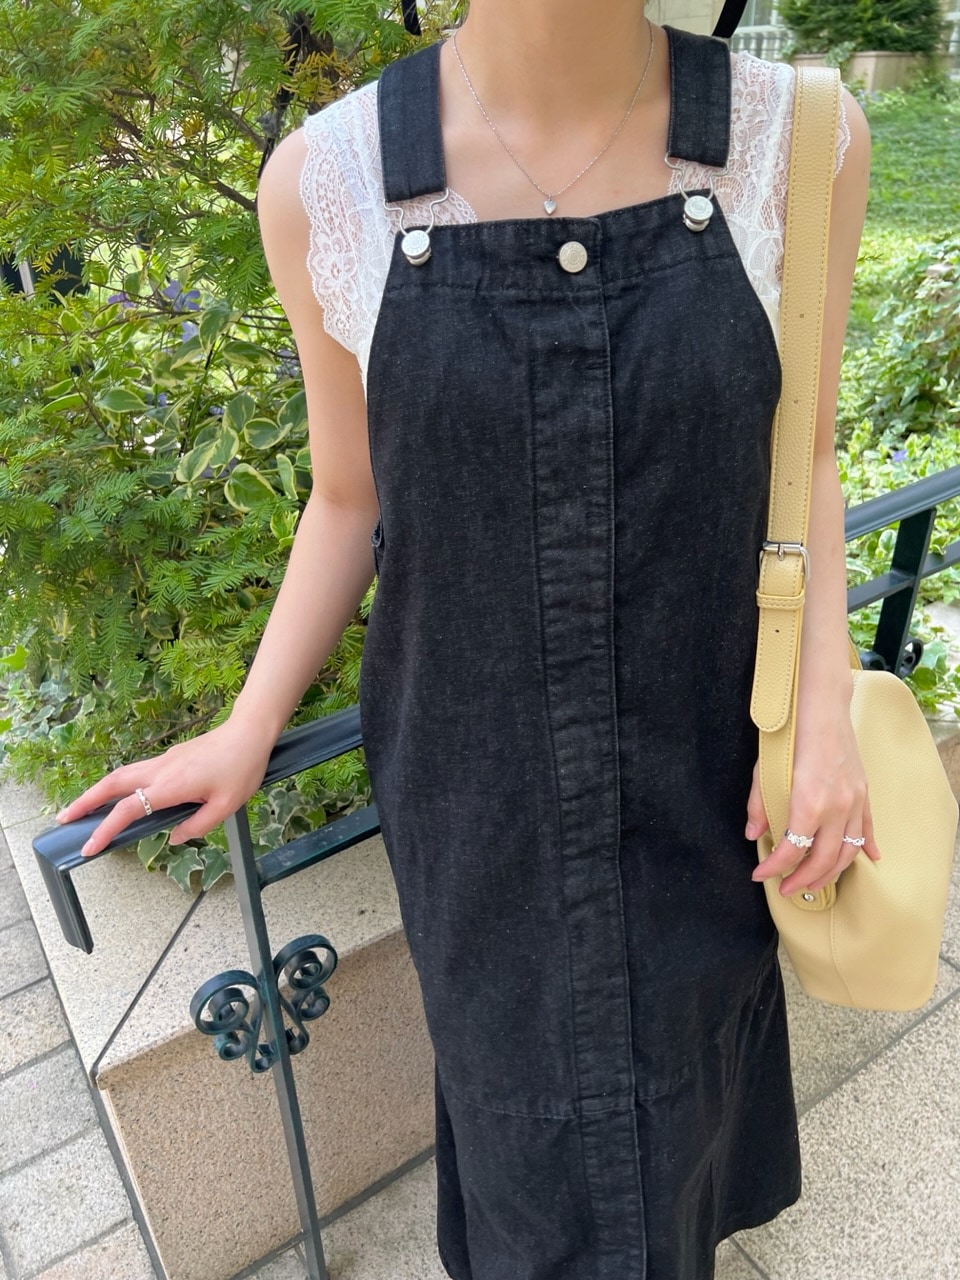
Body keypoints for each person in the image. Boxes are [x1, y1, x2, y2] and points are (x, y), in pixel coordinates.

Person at [59, 3, 875, 1276]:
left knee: (687, 1114)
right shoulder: (327, 183)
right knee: (523, 1151)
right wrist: (248, 723)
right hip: (481, 809)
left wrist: (824, 716)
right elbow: (348, 496)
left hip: (710, 775)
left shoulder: (798, 137)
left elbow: (805, 455)